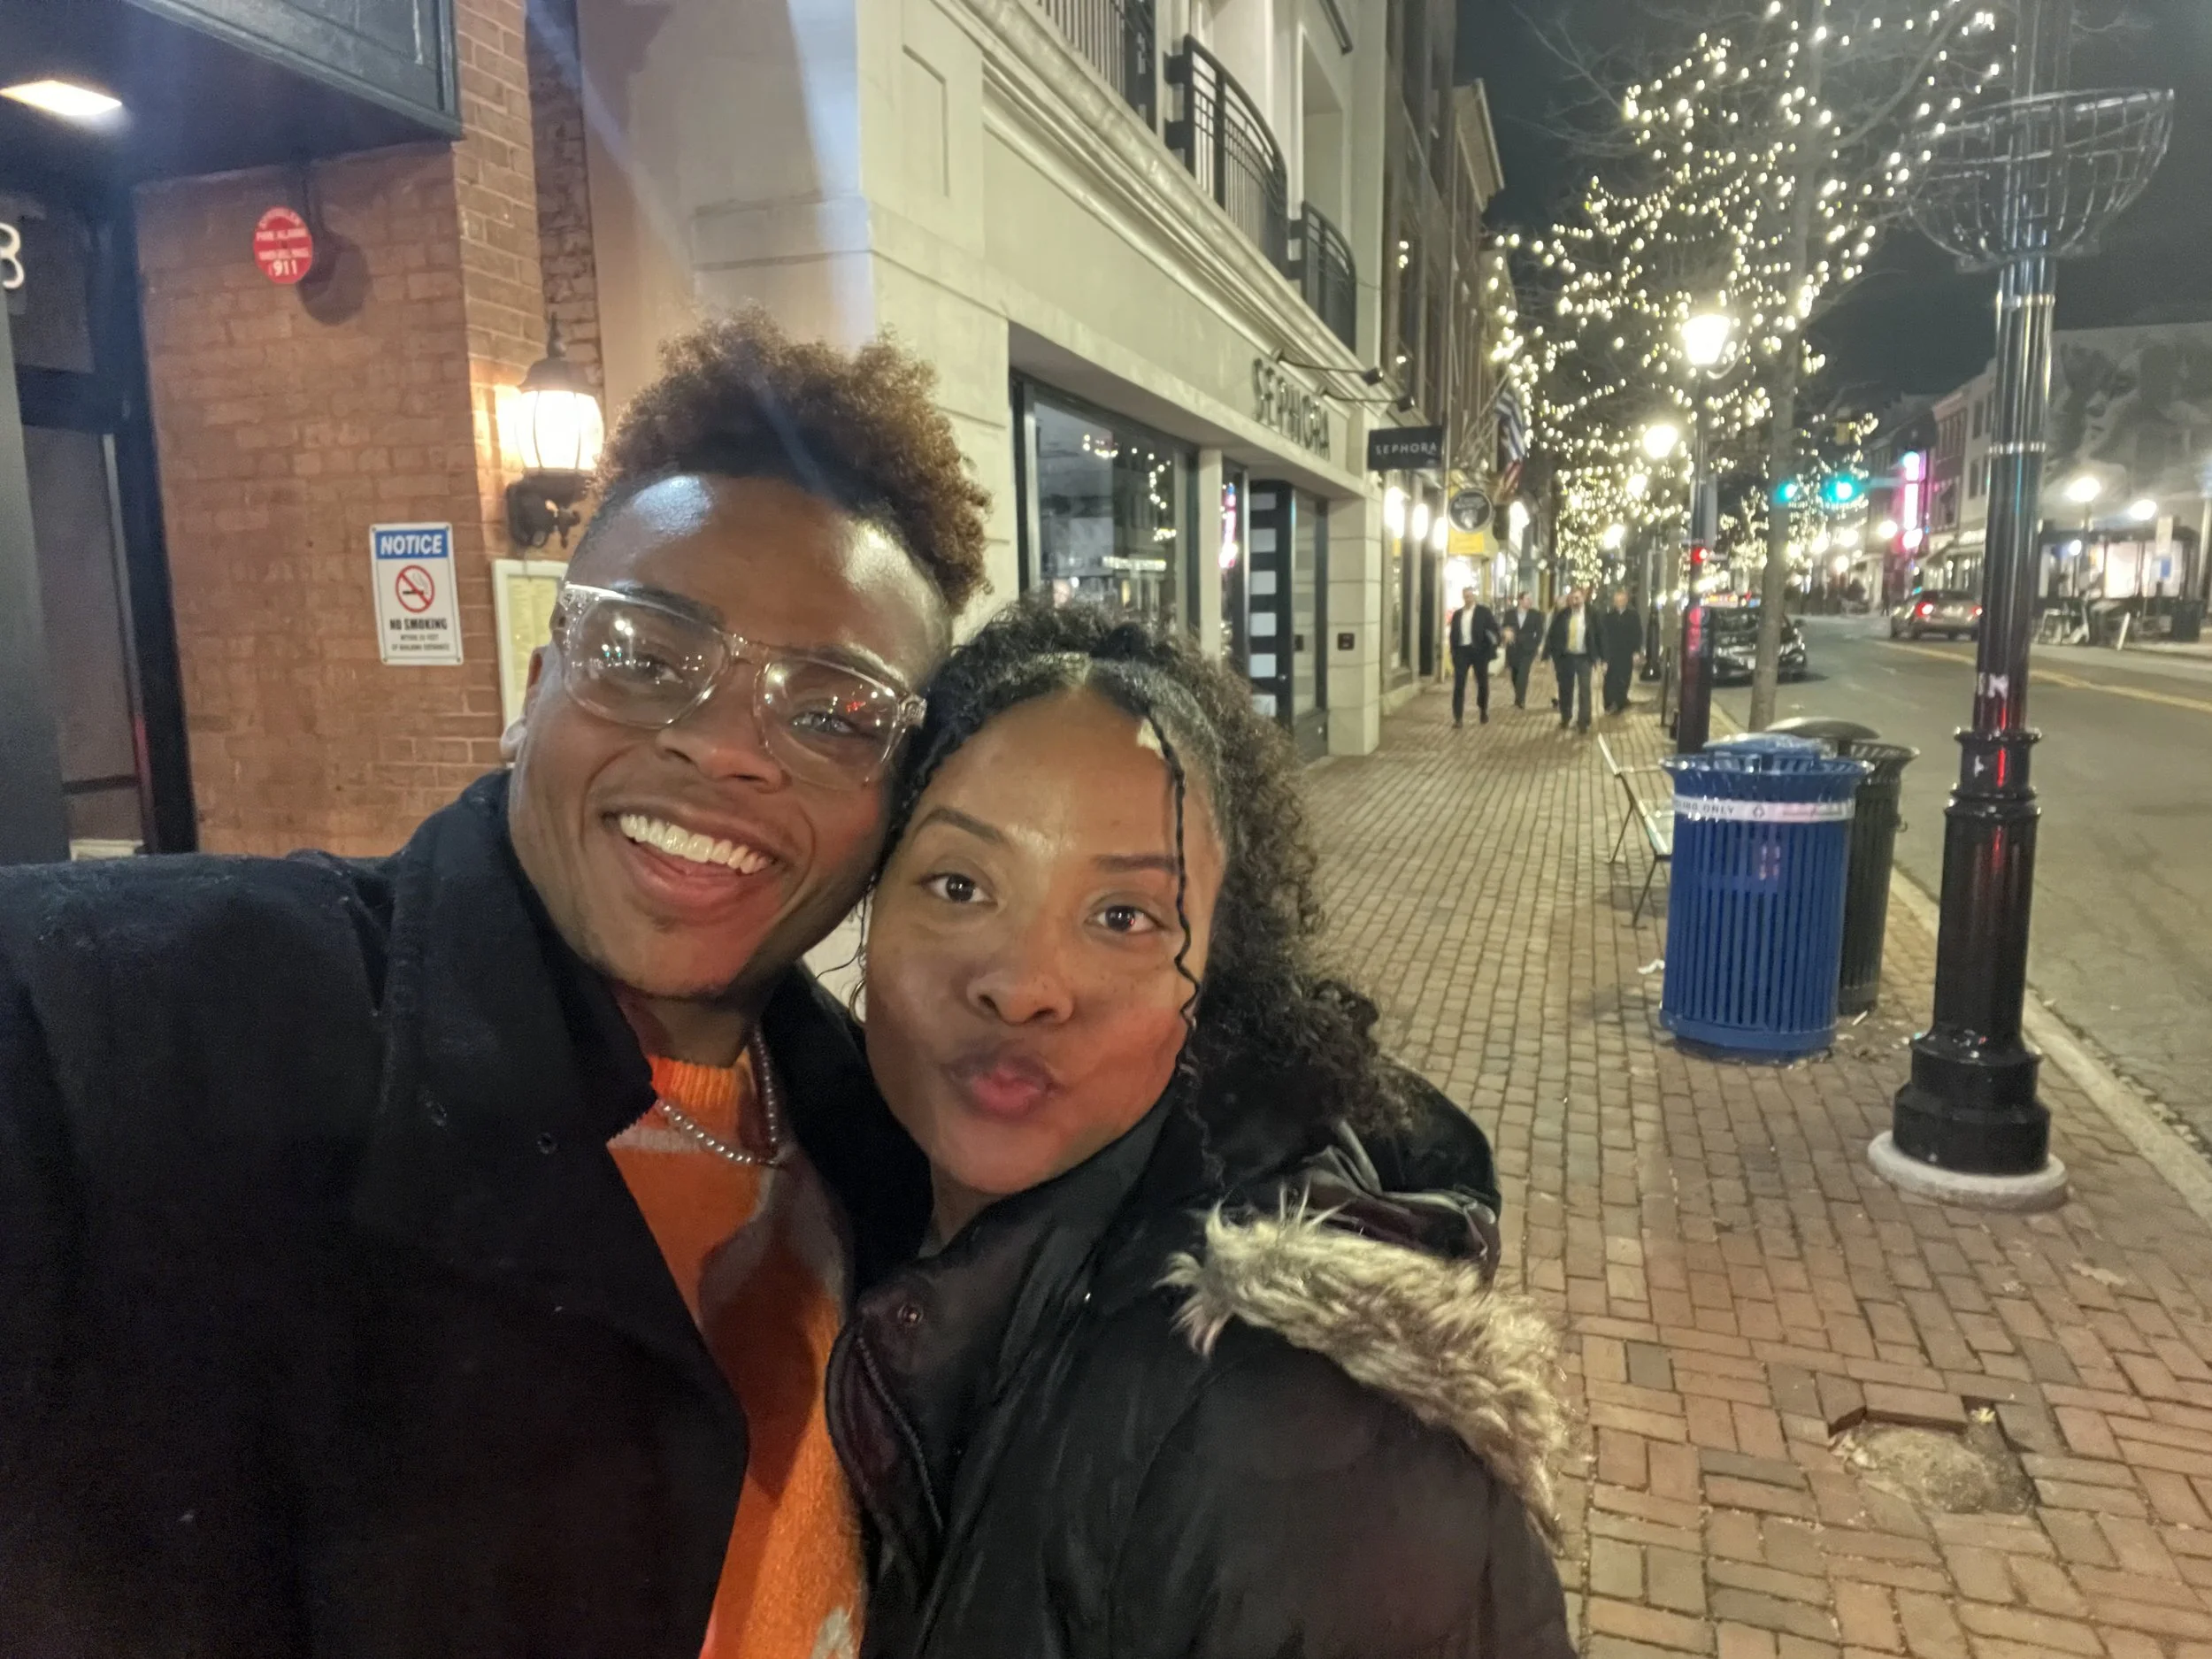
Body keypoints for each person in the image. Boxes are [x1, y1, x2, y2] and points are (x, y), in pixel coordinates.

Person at [0, 312, 987, 1658]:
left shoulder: (886, 1150)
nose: (723, 747)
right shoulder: (160, 1030)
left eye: (832, 713)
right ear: (534, 690)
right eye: (646, 655)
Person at [838, 599, 1573, 1659]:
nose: (1023, 983)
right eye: (959, 885)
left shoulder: (1303, 1449)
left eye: (1123, 917)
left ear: (1217, 974)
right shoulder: (834, 1206)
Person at [1546, 586, 1601, 733]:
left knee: (1584, 688)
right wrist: (1549, 653)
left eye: (1577, 598)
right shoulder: (1563, 614)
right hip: (1567, 657)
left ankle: (1584, 721)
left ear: (1583, 598)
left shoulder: (1592, 614)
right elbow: (1553, 634)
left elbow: (1600, 634)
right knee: (1565, 689)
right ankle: (1566, 717)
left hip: (1584, 657)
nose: (1575, 601)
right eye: (1572, 598)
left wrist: (1601, 657)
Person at [1448, 584, 1502, 726]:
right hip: (1462, 652)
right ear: (1463, 597)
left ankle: (1483, 710)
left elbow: (1494, 629)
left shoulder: (1483, 612)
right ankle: (1458, 717)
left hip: (1479, 652)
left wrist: (1492, 646)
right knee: (1459, 684)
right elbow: (1453, 634)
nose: (1468, 599)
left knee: (1482, 683)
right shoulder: (1458, 614)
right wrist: (1453, 652)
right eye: (1466, 596)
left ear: (1474, 597)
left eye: (1470, 596)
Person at [1602, 587, 1644, 714]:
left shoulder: (1633, 616)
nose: (1619, 602)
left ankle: (1620, 702)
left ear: (1626, 600)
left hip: (1626, 652)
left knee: (1625, 677)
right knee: (1610, 678)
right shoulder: (1609, 616)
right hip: (1612, 652)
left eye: (1621, 600)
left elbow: (1637, 633)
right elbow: (1604, 636)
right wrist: (1604, 656)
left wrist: (1636, 651)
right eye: (1617, 600)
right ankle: (1609, 703)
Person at [1504, 590, 1545, 709]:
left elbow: (1540, 632)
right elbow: (1504, 627)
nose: (1530, 601)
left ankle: (1521, 699)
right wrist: (1506, 632)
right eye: (1527, 599)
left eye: (1531, 599)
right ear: (1520, 600)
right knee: (1515, 675)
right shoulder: (1510, 614)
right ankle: (1518, 697)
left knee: (1523, 673)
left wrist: (1535, 644)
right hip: (1513, 649)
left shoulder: (1536, 614)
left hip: (1528, 650)